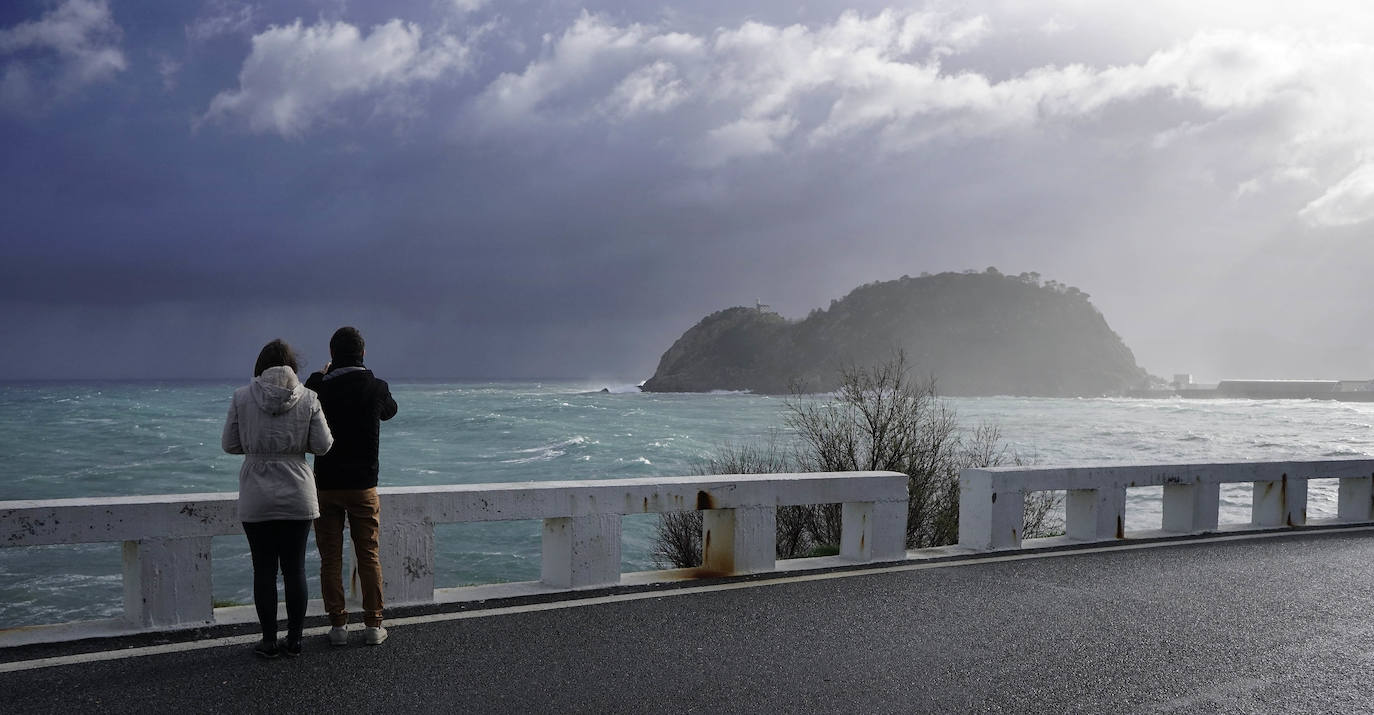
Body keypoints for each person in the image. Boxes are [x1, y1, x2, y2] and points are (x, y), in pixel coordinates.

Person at [222, 339, 333, 659]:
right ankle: (295, 639)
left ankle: (269, 640)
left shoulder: (242, 397)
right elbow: (323, 445)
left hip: (256, 494)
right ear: (293, 366)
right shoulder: (309, 397)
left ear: (260, 366)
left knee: (264, 570)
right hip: (297, 492)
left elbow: (230, 445)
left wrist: (258, 446)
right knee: (295, 569)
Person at [306, 326, 398, 646]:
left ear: (332, 355)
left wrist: (321, 375)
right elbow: (390, 411)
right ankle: (373, 625)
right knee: (368, 555)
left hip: (327, 485)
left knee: (330, 558)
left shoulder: (320, 388)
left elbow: (307, 397)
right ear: (363, 353)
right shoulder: (375, 387)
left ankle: (338, 627)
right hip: (363, 485)